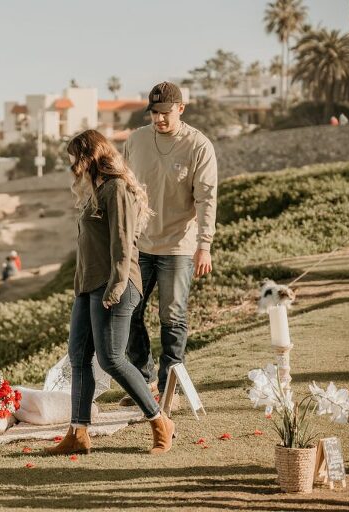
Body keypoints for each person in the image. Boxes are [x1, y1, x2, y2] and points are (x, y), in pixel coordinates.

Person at [45, 129, 176, 456]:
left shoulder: (116, 189)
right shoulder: (97, 190)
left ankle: (160, 421)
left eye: (75, 156)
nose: (72, 164)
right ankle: (78, 434)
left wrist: (116, 286)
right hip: (88, 286)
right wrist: (81, 289)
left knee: (112, 358)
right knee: (78, 356)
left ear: (90, 155)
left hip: (115, 284)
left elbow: (121, 243)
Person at [119, 81, 217, 409]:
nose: (159, 119)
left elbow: (206, 199)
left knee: (172, 317)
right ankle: (143, 381)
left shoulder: (198, 145)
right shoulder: (136, 141)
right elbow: (126, 191)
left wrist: (204, 245)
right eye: (154, 113)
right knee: (128, 310)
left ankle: (169, 389)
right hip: (141, 244)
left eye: (165, 113)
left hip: (179, 246)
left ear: (180, 109)